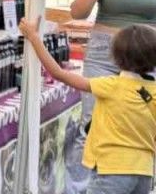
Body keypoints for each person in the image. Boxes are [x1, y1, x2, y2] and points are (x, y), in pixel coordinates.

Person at [66, 0, 156, 193]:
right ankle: (83, 186)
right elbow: (78, 12)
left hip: (147, 56)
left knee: (143, 119)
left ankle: (137, 180)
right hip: (104, 53)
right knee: (92, 121)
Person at [20, 17, 156, 194]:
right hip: (144, 172)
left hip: (111, 170)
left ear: (117, 58)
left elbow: (58, 73)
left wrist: (34, 37)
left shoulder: (111, 85)